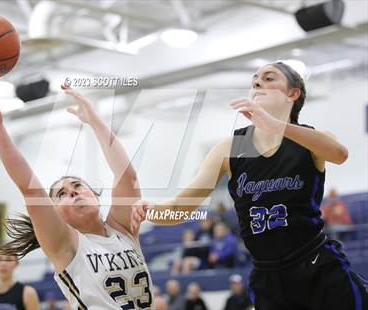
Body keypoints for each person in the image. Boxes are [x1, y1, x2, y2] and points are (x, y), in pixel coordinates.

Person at [132, 62, 368, 309]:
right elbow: (181, 206)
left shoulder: (312, 140)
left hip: (317, 264)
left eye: (268, 78)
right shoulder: (232, 147)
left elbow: (340, 154)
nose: (257, 82)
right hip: (268, 277)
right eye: (254, 79)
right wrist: (150, 210)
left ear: (293, 93)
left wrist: (277, 126)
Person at [0, 76, 155, 309]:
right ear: (56, 215)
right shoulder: (67, 245)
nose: (72, 192)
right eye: (62, 194)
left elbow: (128, 177)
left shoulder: (123, 228)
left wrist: (94, 121)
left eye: (78, 185)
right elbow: (30, 190)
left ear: (95, 196)